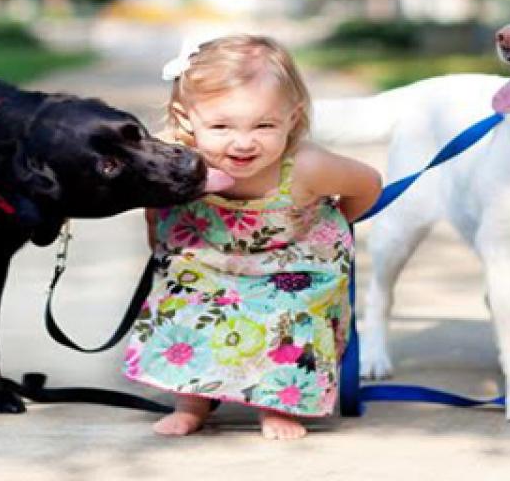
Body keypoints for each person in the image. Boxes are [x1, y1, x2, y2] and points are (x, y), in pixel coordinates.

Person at [124, 34, 382, 440]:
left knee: (286, 313)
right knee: (185, 301)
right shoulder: (174, 157)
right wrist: (160, 241)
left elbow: (368, 184)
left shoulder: (307, 167)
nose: (243, 142)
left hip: (293, 260)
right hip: (208, 255)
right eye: (221, 126)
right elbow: (154, 204)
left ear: (293, 118)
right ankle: (192, 401)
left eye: (264, 125)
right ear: (186, 117)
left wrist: (338, 225)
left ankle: (275, 402)